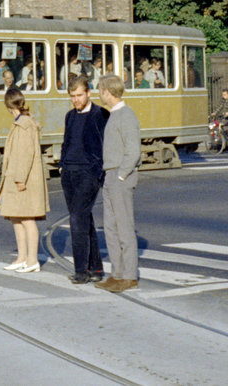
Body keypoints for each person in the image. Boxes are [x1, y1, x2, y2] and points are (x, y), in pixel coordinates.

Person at [0, 88, 48, 273]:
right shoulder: (22, 122)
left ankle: (32, 260)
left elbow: (25, 154)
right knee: (16, 217)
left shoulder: (24, 124)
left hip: (22, 178)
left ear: (8, 105)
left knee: (27, 218)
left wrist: (20, 179)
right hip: (16, 176)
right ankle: (22, 258)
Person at [60, 75, 108, 284]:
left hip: (88, 172)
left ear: (88, 93)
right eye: (72, 96)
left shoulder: (100, 114)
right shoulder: (70, 116)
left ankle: (81, 270)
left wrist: (97, 172)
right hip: (69, 172)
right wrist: (62, 165)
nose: (76, 100)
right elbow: (66, 141)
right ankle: (96, 268)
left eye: (79, 95)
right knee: (84, 219)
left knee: (77, 218)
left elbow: (104, 144)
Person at [96, 74, 140, 293]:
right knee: (111, 228)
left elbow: (133, 150)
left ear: (107, 91)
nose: (99, 94)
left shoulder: (126, 115)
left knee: (124, 227)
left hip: (120, 176)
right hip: (110, 174)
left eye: (100, 90)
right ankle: (117, 273)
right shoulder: (114, 115)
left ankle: (130, 275)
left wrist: (122, 175)